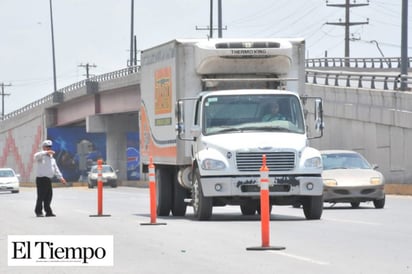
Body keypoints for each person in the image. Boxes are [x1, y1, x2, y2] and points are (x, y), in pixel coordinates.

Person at [33, 139, 66, 217]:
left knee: (48, 196)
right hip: (41, 179)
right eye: (47, 147)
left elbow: (56, 169)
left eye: (49, 147)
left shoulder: (52, 159)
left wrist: (61, 177)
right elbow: (35, 156)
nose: (48, 148)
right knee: (41, 196)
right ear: (43, 147)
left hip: (48, 179)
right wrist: (45, 152)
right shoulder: (41, 156)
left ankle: (48, 212)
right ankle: (38, 211)